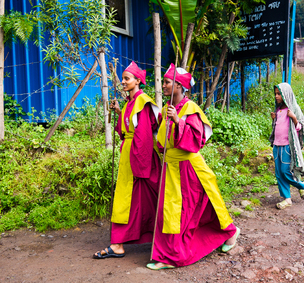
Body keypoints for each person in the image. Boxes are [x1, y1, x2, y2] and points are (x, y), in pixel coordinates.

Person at [147, 63, 240, 270]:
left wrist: (178, 120)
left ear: (180, 86)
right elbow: (161, 139)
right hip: (170, 167)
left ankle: (230, 233)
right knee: (170, 210)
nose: (164, 85)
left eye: (168, 82)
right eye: (164, 81)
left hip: (188, 167)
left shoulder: (191, 109)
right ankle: (169, 254)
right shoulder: (165, 109)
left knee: (191, 208)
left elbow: (196, 141)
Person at [93, 61, 161, 259]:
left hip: (139, 158)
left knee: (147, 197)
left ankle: (171, 234)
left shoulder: (143, 102)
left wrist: (140, 166)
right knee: (131, 200)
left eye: (126, 79)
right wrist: (118, 113)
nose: (123, 82)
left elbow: (145, 136)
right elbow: (129, 129)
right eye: (123, 79)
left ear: (138, 81)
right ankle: (119, 243)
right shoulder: (130, 103)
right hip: (129, 156)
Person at [269, 83, 304, 210]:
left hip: (287, 146)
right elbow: (277, 127)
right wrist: (273, 119)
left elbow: (300, 127)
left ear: (286, 94)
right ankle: (287, 199)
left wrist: (294, 118)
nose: (276, 96)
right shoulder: (278, 110)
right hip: (277, 145)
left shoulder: (293, 109)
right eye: (275, 94)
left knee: (286, 171)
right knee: (279, 173)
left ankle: (302, 185)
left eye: (279, 94)